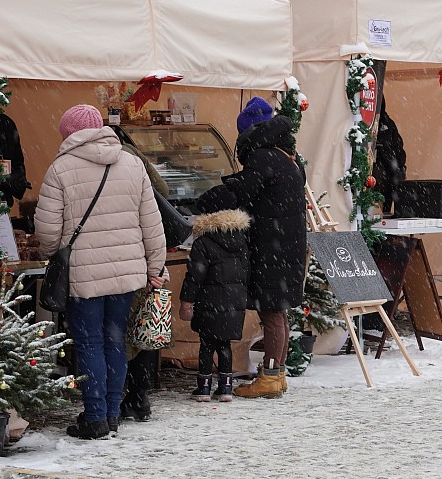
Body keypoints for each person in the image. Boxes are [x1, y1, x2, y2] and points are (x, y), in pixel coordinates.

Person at [35, 105, 166, 439]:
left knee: (89, 341)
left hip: (83, 274)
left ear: (68, 134)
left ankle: (95, 417)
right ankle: (111, 414)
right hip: (126, 273)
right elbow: (152, 223)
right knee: (115, 339)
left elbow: (47, 232)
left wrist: (53, 254)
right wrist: (155, 266)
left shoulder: (60, 169)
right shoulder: (132, 163)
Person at [194, 97, 305, 398]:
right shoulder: (287, 154)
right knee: (278, 313)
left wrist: (204, 201)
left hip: (272, 246)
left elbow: (241, 191)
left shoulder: (263, 157)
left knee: (270, 314)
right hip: (286, 244)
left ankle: (269, 377)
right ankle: (276, 374)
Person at [110, 125, 170, 423]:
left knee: (119, 332)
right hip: (144, 257)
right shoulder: (136, 158)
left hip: (118, 262)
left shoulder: (103, 161)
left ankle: (119, 397)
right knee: (144, 330)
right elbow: (165, 191)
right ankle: (140, 397)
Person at [178, 209, 251, 403]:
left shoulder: (203, 243)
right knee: (225, 344)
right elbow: (246, 273)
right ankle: (226, 387)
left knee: (207, 345)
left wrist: (187, 300)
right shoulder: (242, 241)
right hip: (233, 302)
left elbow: (194, 277)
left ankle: (203, 388)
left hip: (209, 301)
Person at [0, 111, 31, 260]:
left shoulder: (4, 123)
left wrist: (13, 182)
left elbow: (17, 162)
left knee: (1, 256)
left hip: (1, 202)